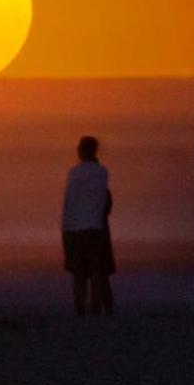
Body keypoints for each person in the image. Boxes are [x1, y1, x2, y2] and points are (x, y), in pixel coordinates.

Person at [61, 135, 115, 316]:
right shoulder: (102, 172)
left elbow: (70, 202)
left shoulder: (74, 173)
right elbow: (102, 199)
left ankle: (80, 309)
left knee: (79, 273)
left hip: (76, 228)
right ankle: (96, 309)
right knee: (96, 271)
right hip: (95, 227)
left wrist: (65, 228)